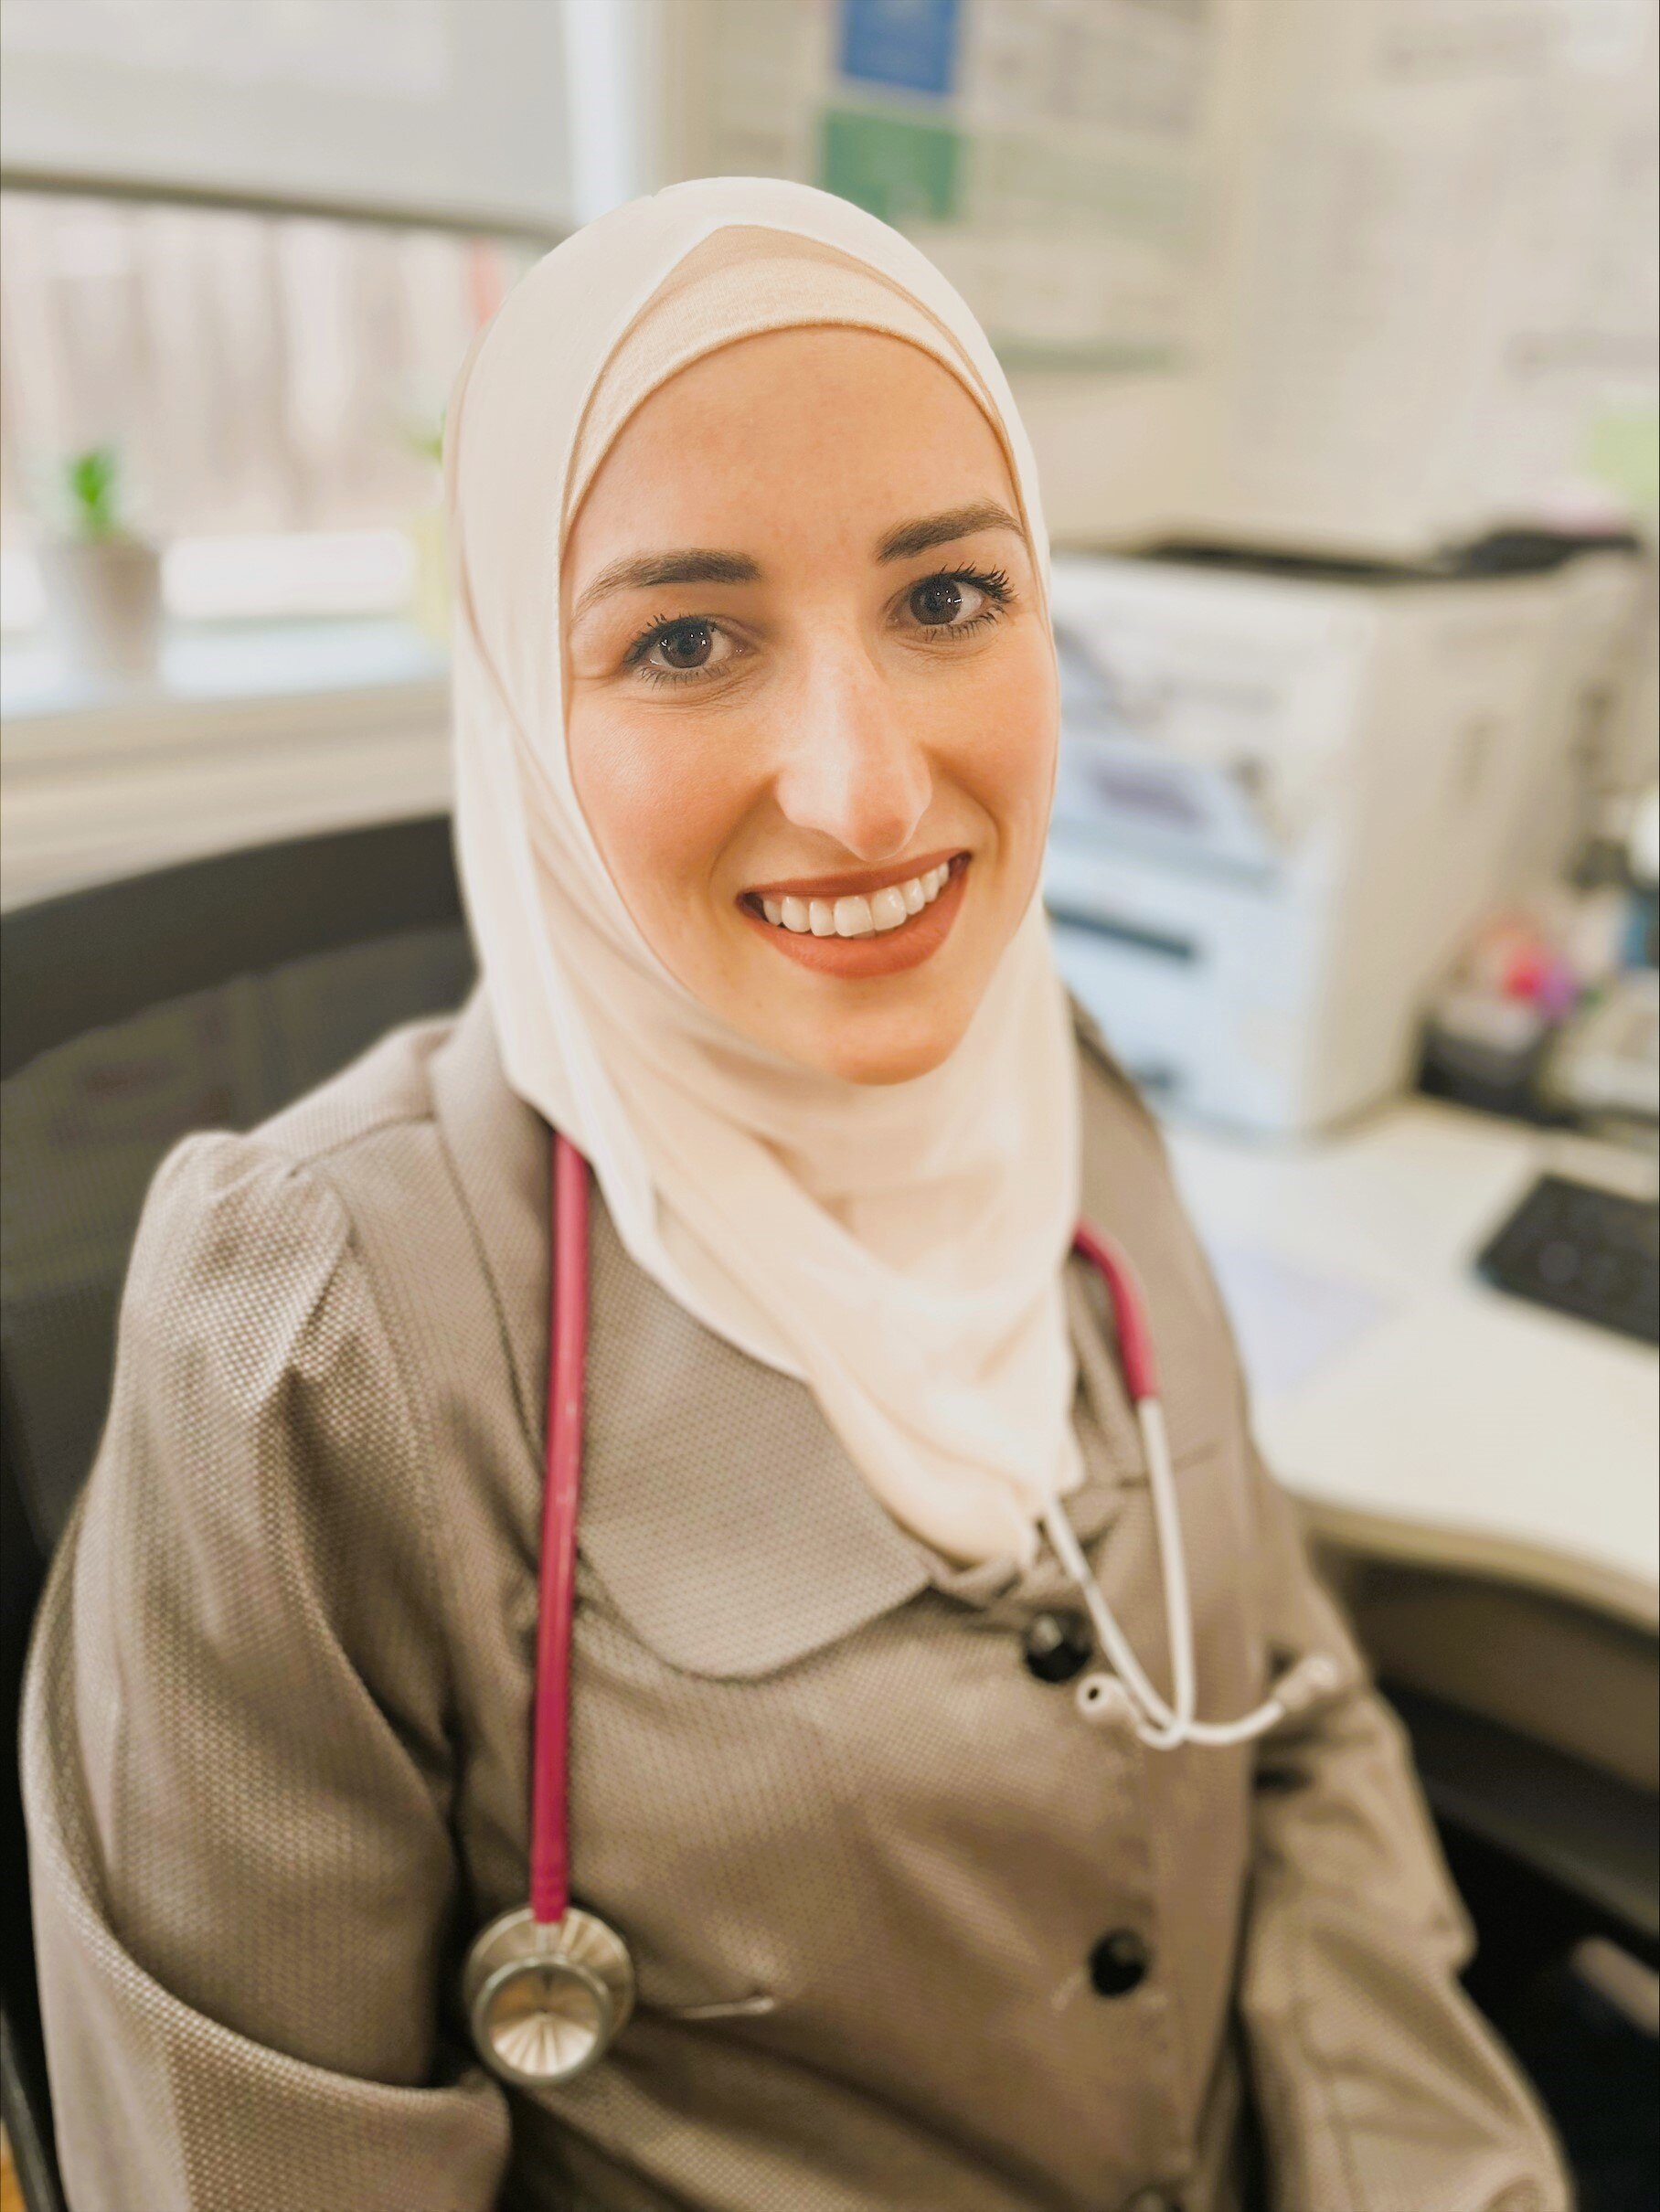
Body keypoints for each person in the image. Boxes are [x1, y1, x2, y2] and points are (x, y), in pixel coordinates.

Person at [23, 177, 1569, 2212]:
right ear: (520, 704)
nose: (862, 788)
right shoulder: (315, 1331)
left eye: (945, 598)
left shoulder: (1063, 1094)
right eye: (682, 637)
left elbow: (1292, 1730)